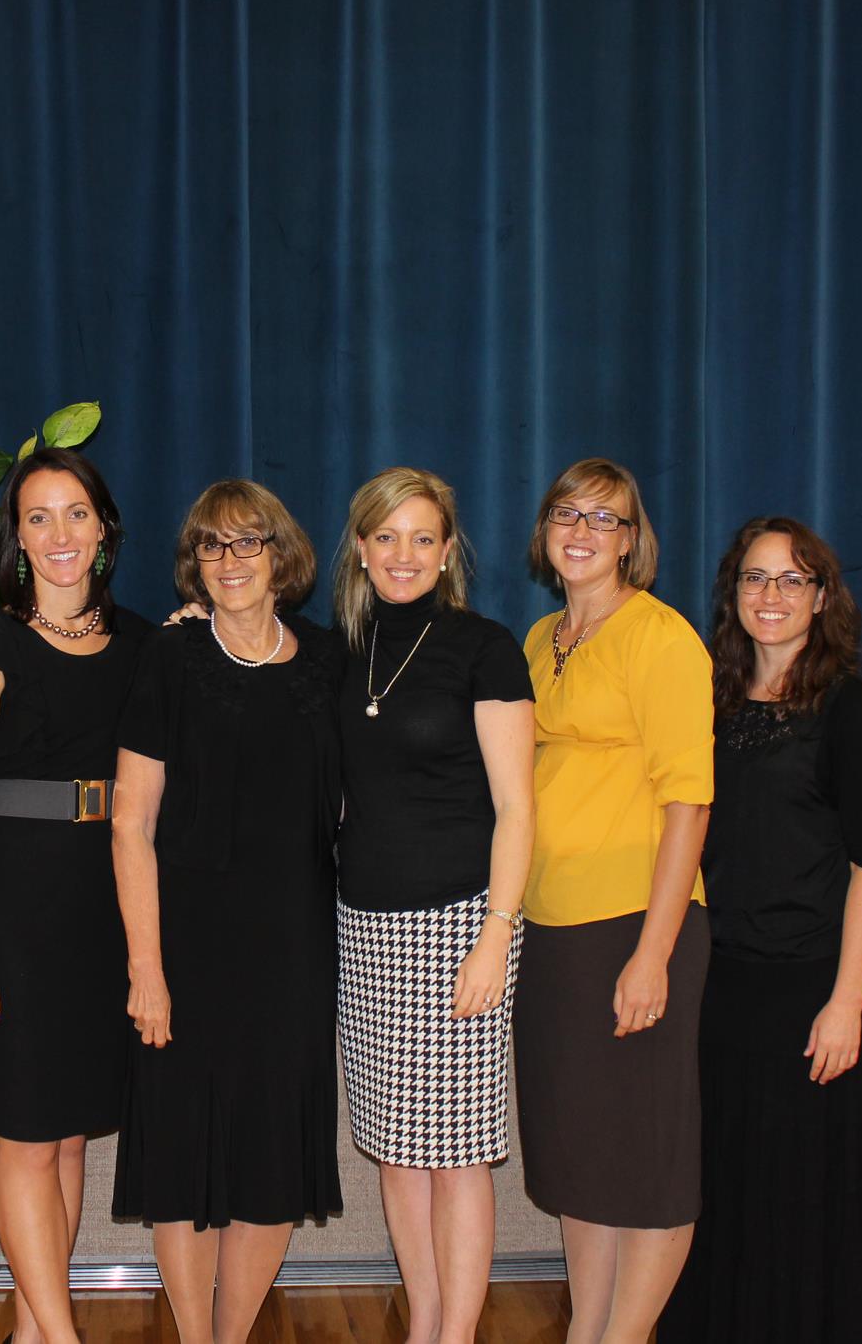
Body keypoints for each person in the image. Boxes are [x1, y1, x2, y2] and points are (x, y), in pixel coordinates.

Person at [110, 478, 344, 1344]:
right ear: (193, 564)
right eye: (212, 545)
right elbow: (130, 822)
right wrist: (146, 967)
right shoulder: (169, 659)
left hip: (293, 947)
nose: (231, 560)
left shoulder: (327, 660)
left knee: (273, 1154)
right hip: (187, 945)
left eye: (249, 542)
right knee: (180, 1146)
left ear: (283, 556)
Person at [658, 517, 862, 1343]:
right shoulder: (708, 704)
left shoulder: (852, 713)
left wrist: (848, 1003)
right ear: (732, 593)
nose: (772, 595)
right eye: (756, 578)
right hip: (723, 989)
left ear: (822, 597)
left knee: (807, 1201)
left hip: (813, 995)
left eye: (792, 579)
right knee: (727, 1188)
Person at [0, 447, 146, 1344]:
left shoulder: (145, 642)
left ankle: (33, 1325)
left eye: (74, 514)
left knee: (68, 1136)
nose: (58, 534)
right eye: (37, 517)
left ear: (103, 527)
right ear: (16, 538)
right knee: (26, 1132)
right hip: (18, 908)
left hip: (106, 903)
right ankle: (61, 1336)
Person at [331, 468, 533, 1344]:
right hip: (364, 924)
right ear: (362, 548)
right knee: (395, 1145)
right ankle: (424, 1325)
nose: (402, 555)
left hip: (460, 922)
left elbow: (519, 807)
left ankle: (458, 1334)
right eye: (386, 537)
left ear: (448, 549)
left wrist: (495, 935)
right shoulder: (342, 648)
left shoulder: (486, 648)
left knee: (456, 1154)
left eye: (422, 537)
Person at [513, 457, 713, 1344]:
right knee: (580, 1154)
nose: (584, 531)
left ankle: (624, 1336)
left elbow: (690, 802)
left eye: (607, 518)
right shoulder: (538, 637)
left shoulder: (662, 639)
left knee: (649, 1157)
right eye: (568, 512)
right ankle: (583, 1329)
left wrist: (653, 952)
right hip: (552, 931)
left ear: (633, 540)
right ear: (547, 530)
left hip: (636, 924)